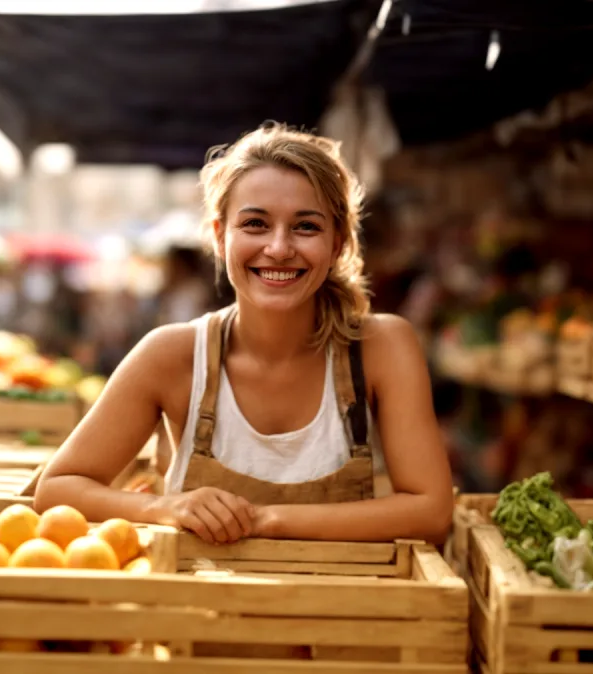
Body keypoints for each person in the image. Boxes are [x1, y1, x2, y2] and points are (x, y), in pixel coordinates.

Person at [35, 124, 453, 544]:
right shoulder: (173, 356)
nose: (278, 247)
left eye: (306, 227)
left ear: (338, 243)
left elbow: (431, 510)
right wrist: (163, 507)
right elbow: (56, 489)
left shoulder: (380, 349)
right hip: (197, 606)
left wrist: (266, 520)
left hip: (345, 606)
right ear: (220, 236)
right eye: (255, 224)